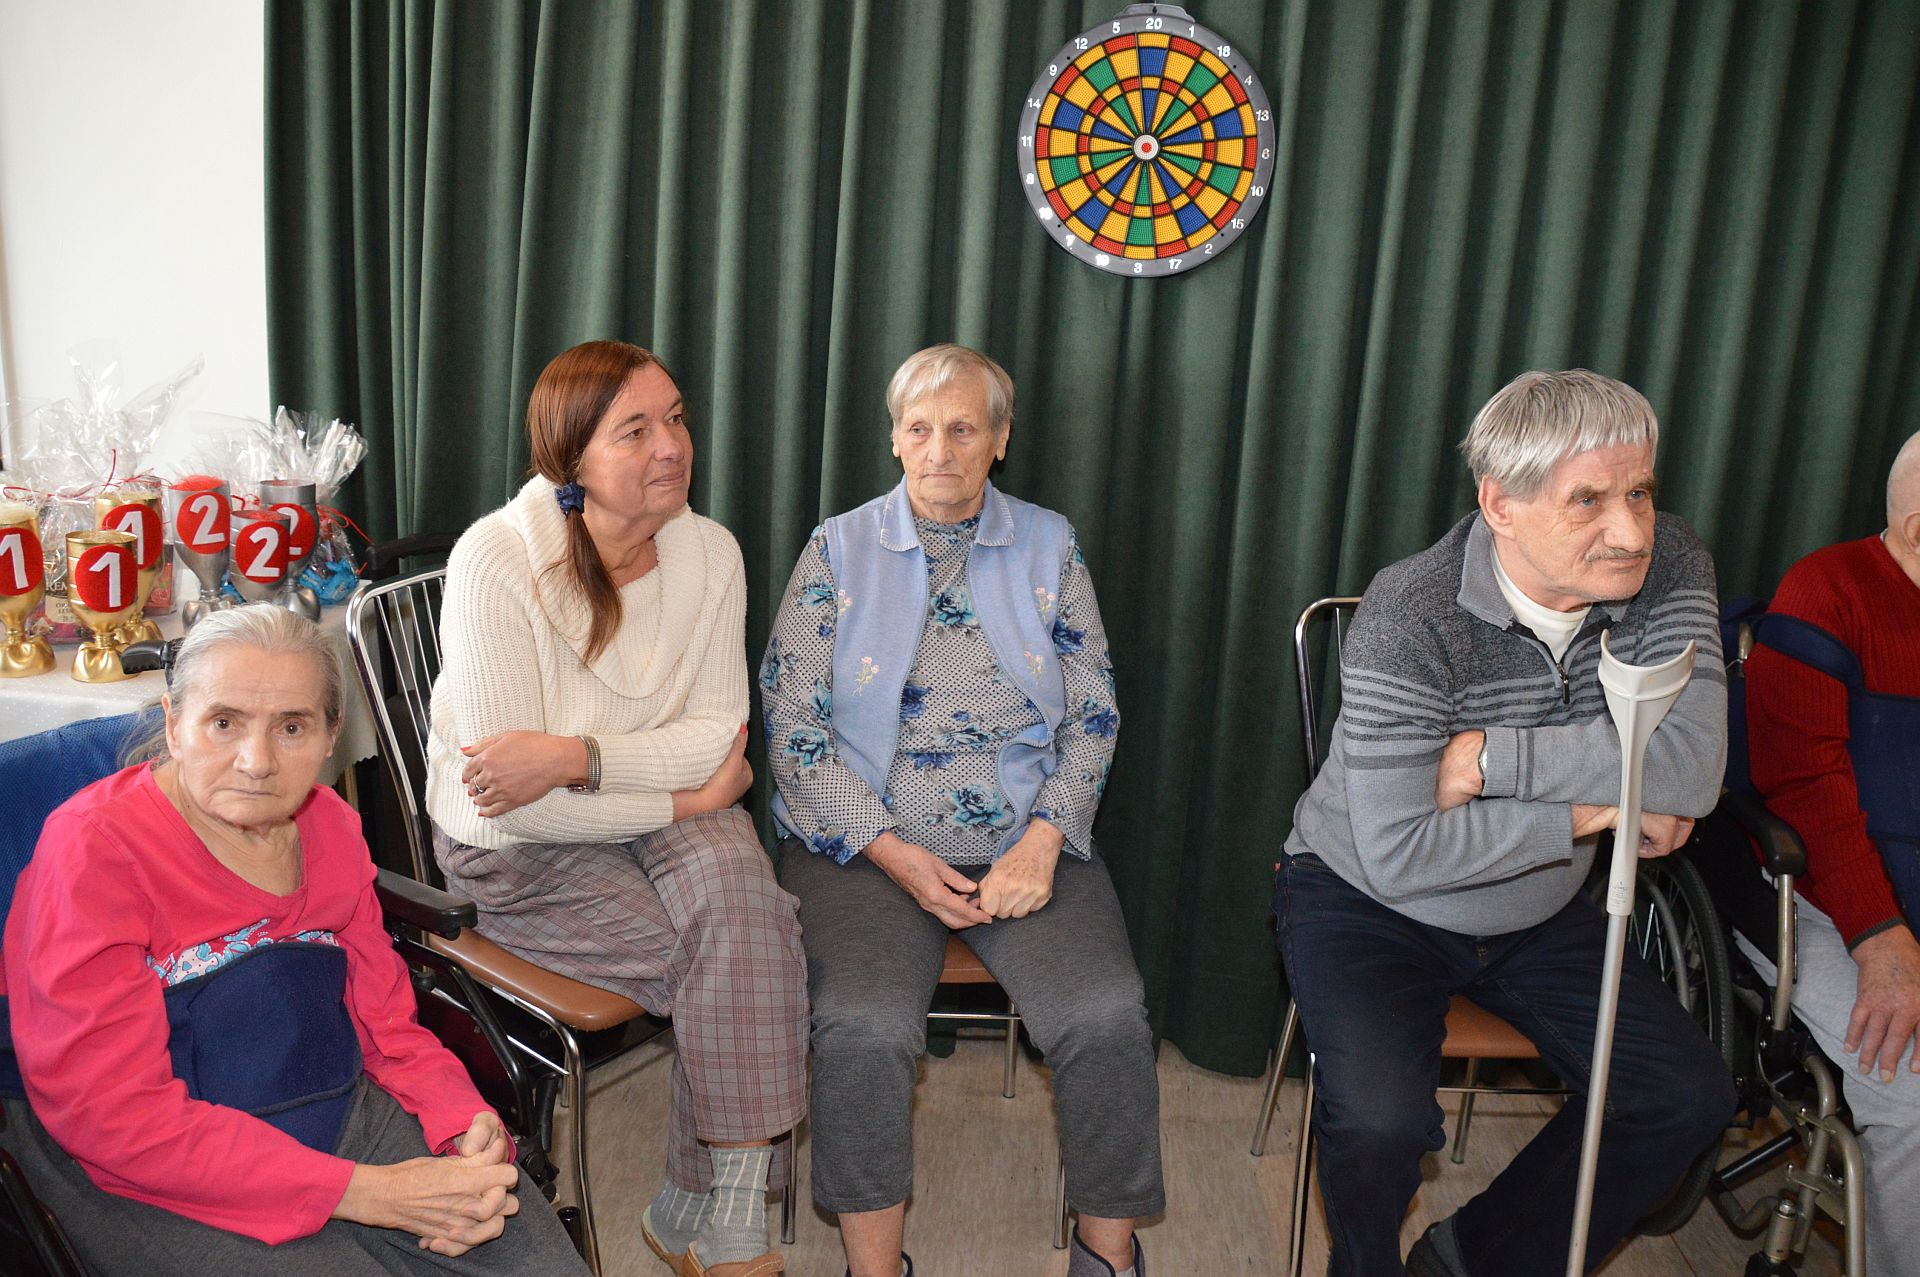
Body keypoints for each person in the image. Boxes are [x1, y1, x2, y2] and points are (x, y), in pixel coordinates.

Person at [1274, 369, 1736, 1276]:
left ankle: (1465, 1262)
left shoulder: (1672, 563)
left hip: (1538, 902)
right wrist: (1601, 805)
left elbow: (1692, 767)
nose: (1631, 531)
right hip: (1364, 899)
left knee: (1685, 1096)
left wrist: (1491, 758)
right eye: (1588, 500)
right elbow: (1402, 850)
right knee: (1380, 1122)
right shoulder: (1412, 610)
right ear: (1501, 505)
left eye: (1641, 492)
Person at [1, 604, 587, 1274]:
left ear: (331, 735)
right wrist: (370, 1194)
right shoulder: (93, 853)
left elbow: (384, 1022)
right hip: (144, 1158)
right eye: (224, 723)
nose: (256, 762)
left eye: (291, 726)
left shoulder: (330, 826)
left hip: (325, 1095)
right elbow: (113, 1116)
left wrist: (461, 1122)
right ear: (173, 724)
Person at [763, 345, 1160, 1277]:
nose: (939, 449)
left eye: (963, 428)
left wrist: (1044, 838)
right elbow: (792, 724)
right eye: (920, 428)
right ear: (895, 439)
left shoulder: (1050, 545)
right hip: (864, 844)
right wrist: (891, 851)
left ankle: (1107, 1259)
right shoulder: (837, 547)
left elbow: (1095, 712)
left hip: (1024, 837)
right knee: (862, 1027)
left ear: (1000, 439)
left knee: (1108, 1016)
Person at [424, 340, 805, 1277]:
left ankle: (711, 1211)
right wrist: (684, 797)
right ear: (572, 461)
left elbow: (717, 734)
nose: (670, 445)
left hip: (649, 808)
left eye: (674, 418)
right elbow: (510, 810)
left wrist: (574, 758)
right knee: (746, 954)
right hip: (521, 849)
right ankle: (708, 1217)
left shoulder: (710, 551)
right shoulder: (495, 560)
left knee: (743, 913)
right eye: (634, 431)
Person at [1741, 429, 1920, 1276]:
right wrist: (1882, 938)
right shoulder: (1828, 594)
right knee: (1914, 1090)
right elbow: (1807, 792)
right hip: (1821, 897)